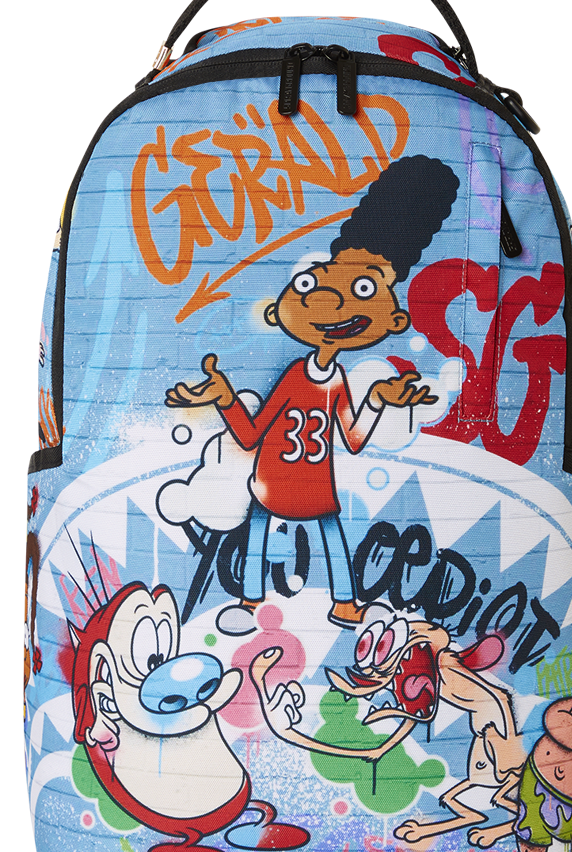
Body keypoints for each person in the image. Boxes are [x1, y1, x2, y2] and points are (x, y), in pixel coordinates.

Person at [166, 155, 459, 635]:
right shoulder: (296, 377)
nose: (329, 300)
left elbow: (353, 439)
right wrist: (223, 397)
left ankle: (342, 604)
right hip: (272, 484)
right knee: (273, 537)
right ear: (281, 309)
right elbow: (251, 434)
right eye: (312, 283)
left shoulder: (337, 381)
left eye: (363, 287)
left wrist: (380, 400)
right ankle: (251, 600)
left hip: (314, 489)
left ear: (395, 320)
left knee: (325, 543)